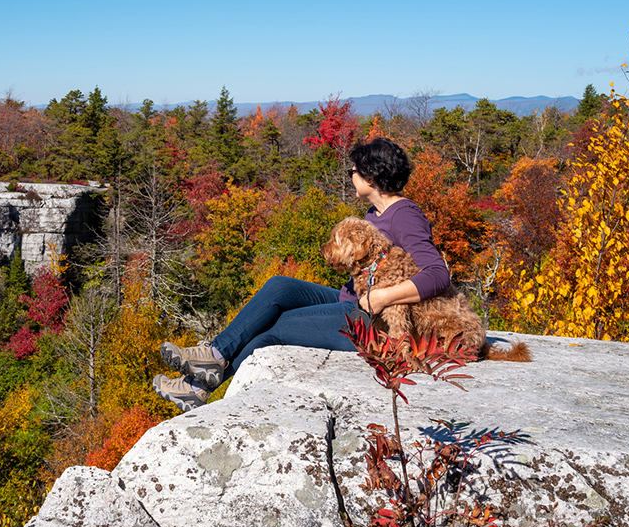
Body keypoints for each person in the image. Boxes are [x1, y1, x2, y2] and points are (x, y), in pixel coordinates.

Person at [152, 137, 451, 412]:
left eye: (354, 170)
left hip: (373, 321)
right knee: (280, 287)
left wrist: (384, 296)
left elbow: (438, 275)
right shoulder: (375, 214)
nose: (351, 175)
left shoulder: (405, 215)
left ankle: (196, 386)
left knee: (275, 328)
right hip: (353, 301)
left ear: (371, 177)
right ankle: (214, 355)